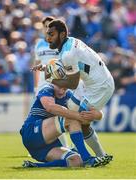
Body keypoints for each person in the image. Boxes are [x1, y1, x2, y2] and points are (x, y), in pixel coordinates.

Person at [32, 19, 114, 162]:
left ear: (62, 34)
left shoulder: (68, 53)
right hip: (88, 82)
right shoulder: (70, 42)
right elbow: (68, 66)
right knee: (71, 110)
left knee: (82, 122)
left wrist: (50, 79)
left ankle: (100, 155)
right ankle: (79, 148)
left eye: (51, 34)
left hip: (100, 86)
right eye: (47, 34)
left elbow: (73, 83)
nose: (48, 38)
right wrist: (46, 68)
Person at [20, 84, 107, 168]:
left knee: (76, 161)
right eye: (60, 87)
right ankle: (87, 158)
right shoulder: (47, 89)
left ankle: (35, 166)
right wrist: (79, 116)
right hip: (31, 132)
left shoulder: (70, 96)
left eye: (65, 88)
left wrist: (96, 115)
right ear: (54, 83)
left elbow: (98, 114)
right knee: (73, 119)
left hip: (46, 146)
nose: (62, 91)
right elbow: (50, 107)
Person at [33, 16, 68, 147]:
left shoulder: (59, 43)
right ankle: (62, 147)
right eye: (45, 27)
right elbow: (36, 65)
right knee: (45, 117)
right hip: (42, 85)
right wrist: (35, 86)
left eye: (49, 27)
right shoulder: (39, 44)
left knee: (57, 115)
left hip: (57, 84)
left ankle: (65, 147)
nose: (47, 29)